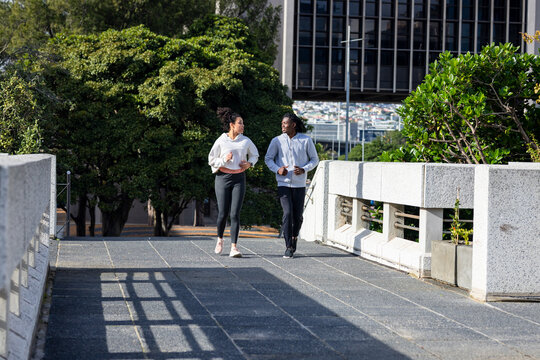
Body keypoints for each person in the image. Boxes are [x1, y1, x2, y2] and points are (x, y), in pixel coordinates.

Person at [265, 113, 319, 258]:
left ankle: (294, 237)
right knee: (287, 213)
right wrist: (278, 169)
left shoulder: (306, 140)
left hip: (299, 184)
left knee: (298, 216)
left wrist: (304, 169)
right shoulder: (276, 141)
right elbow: (268, 159)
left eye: (285, 123)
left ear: (293, 125)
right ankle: (288, 246)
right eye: (282, 124)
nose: (283, 126)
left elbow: (315, 159)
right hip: (283, 183)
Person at [208, 107, 259, 258]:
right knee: (223, 213)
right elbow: (211, 159)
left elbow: (255, 155)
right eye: (240, 123)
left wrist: (249, 164)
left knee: (235, 213)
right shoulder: (221, 140)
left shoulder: (246, 140)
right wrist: (224, 160)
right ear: (232, 125)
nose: (243, 126)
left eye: (243, 123)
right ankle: (220, 239)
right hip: (223, 178)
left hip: (239, 179)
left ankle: (234, 247)